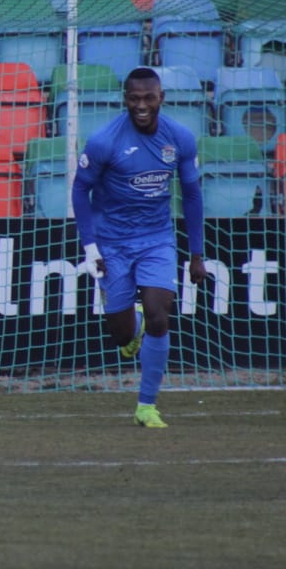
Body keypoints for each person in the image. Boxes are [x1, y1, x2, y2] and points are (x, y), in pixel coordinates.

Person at [71, 67, 207, 429]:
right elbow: (78, 190)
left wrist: (197, 254)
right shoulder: (104, 141)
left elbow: (192, 194)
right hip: (112, 243)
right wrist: (90, 248)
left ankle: (147, 406)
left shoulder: (179, 138)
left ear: (161, 97)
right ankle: (129, 334)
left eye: (149, 98)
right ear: (125, 100)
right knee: (121, 335)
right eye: (134, 98)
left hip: (157, 240)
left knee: (159, 315)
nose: (141, 105)